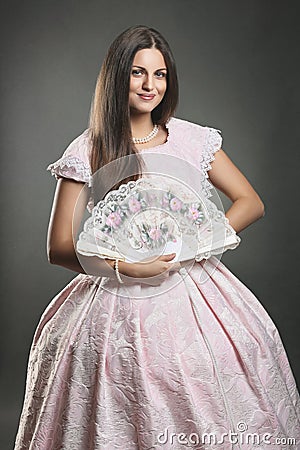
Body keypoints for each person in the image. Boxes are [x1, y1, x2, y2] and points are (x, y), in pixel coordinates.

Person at [14, 25, 299, 450]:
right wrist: (125, 267)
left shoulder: (193, 139)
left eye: (160, 74)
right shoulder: (89, 149)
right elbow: (58, 247)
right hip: (114, 295)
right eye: (137, 73)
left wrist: (194, 243)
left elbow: (249, 202)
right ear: (116, 78)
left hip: (196, 288)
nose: (150, 85)